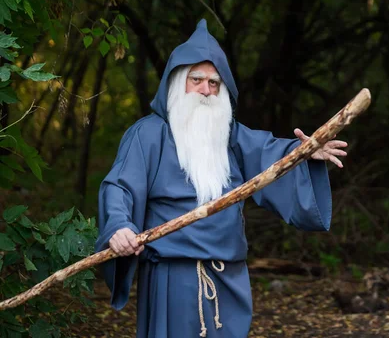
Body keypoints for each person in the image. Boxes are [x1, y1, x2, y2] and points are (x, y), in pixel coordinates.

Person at [95, 19, 348, 338]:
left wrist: (304, 153)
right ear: (176, 82)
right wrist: (119, 226)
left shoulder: (229, 136)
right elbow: (120, 187)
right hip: (173, 275)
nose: (205, 90)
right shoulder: (147, 135)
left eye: (214, 83)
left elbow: (271, 154)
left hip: (229, 276)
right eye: (196, 79)